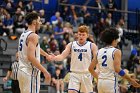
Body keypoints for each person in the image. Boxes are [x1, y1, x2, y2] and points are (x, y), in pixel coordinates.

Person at [88, 27, 140, 93]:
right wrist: (130, 80)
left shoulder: (99, 51)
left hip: (100, 83)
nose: (117, 41)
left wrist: (98, 78)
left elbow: (90, 69)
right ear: (113, 40)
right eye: (116, 39)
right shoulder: (116, 51)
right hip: (111, 83)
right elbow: (117, 69)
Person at [53, 25, 98, 93]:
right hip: (74, 73)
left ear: (87, 35)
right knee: (71, 92)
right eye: (79, 34)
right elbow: (62, 56)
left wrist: (97, 68)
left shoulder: (92, 45)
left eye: (83, 35)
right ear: (77, 34)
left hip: (86, 73)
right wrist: (53, 57)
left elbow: (96, 58)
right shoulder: (71, 45)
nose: (81, 36)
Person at [17, 12, 53, 93]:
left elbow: (35, 48)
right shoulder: (33, 36)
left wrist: (46, 55)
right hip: (30, 72)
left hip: (21, 71)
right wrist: (45, 71)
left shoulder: (24, 34)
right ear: (34, 22)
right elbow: (31, 57)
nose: (40, 23)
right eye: (39, 21)